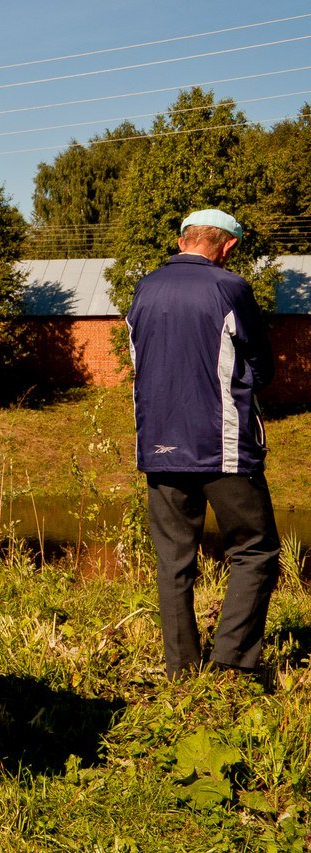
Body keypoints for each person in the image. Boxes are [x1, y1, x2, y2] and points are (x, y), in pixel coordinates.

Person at [127, 208, 279, 677]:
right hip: (222, 446)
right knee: (255, 549)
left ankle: (182, 670)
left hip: (159, 444)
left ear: (181, 240)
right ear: (227, 245)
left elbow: (137, 359)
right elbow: (260, 363)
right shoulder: (229, 288)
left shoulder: (144, 288)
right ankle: (231, 663)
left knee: (174, 560)